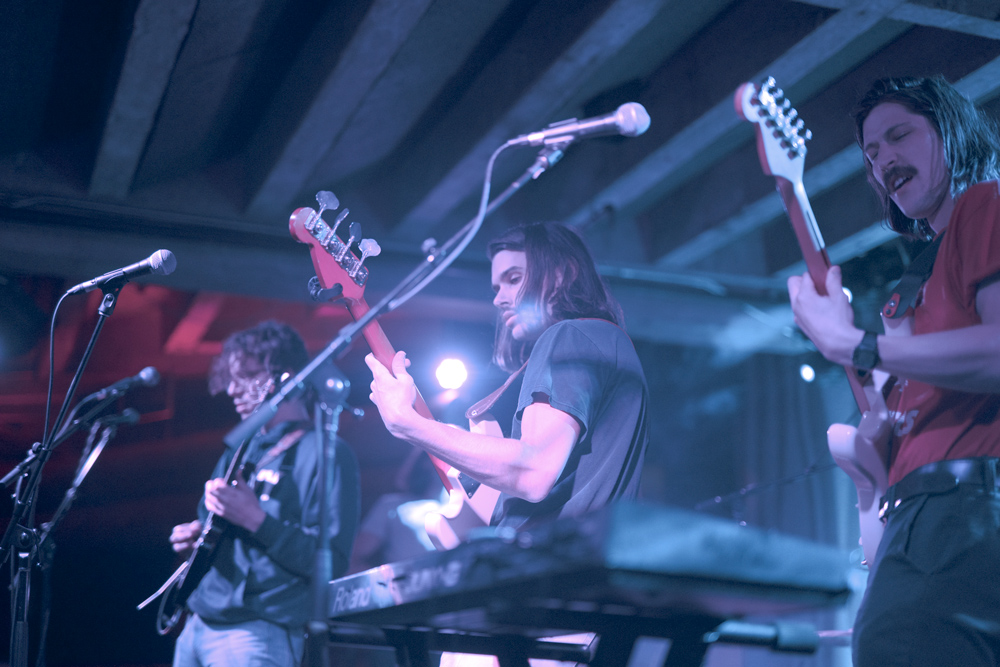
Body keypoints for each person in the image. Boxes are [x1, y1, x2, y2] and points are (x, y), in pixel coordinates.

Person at [787, 76, 1000, 665]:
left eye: (900, 136)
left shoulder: (987, 205)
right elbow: (888, 424)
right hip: (924, 519)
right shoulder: (907, 295)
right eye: (872, 153)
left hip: (963, 513)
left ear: (952, 135)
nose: (884, 161)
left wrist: (856, 345)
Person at [366, 220, 649, 533]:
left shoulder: (569, 335)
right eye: (496, 287)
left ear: (563, 274)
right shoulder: (604, 343)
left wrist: (411, 425)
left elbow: (532, 473)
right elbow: (502, 512)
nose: (498, 299)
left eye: (513, 279)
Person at [169, 320, 360, 667]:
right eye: (231, 377)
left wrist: (256, 520)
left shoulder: (326, 452)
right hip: (198, 623)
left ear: (283, 376)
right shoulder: (239, 449)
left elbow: (331, 561)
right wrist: (195, 538)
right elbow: (212, 527)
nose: (232, 389)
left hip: (259, 629)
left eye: (245, 376)